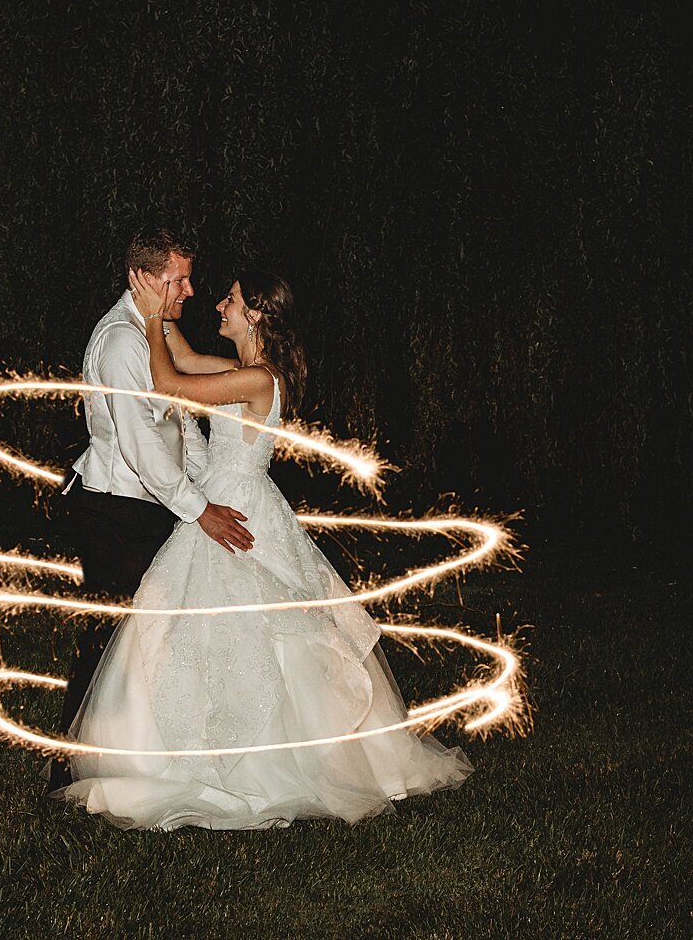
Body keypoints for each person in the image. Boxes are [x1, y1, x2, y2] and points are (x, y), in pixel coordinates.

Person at [50, 266, 473, 829]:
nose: (217, 305)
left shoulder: (260, 381)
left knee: (260, 633)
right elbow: (181, 358)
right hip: (226, 499)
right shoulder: (239, 370)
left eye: (231, 299)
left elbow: (171, 384)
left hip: (238, 508)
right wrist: (156, 304)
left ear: (256, 315)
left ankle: (262, 766)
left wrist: (151, 318)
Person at [45, 228, 255, 795]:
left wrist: (207, 481)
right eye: (177, 279)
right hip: (117, 509)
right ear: (143, 277)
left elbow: (180, 420)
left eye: (188, 278)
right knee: (109, 637)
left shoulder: (154, 333)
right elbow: (139, 444)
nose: (188, 290)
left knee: (153, 638)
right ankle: (72, 766)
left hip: (152, 506)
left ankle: (146, 754)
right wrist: (199, 509)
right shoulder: (120, 343)